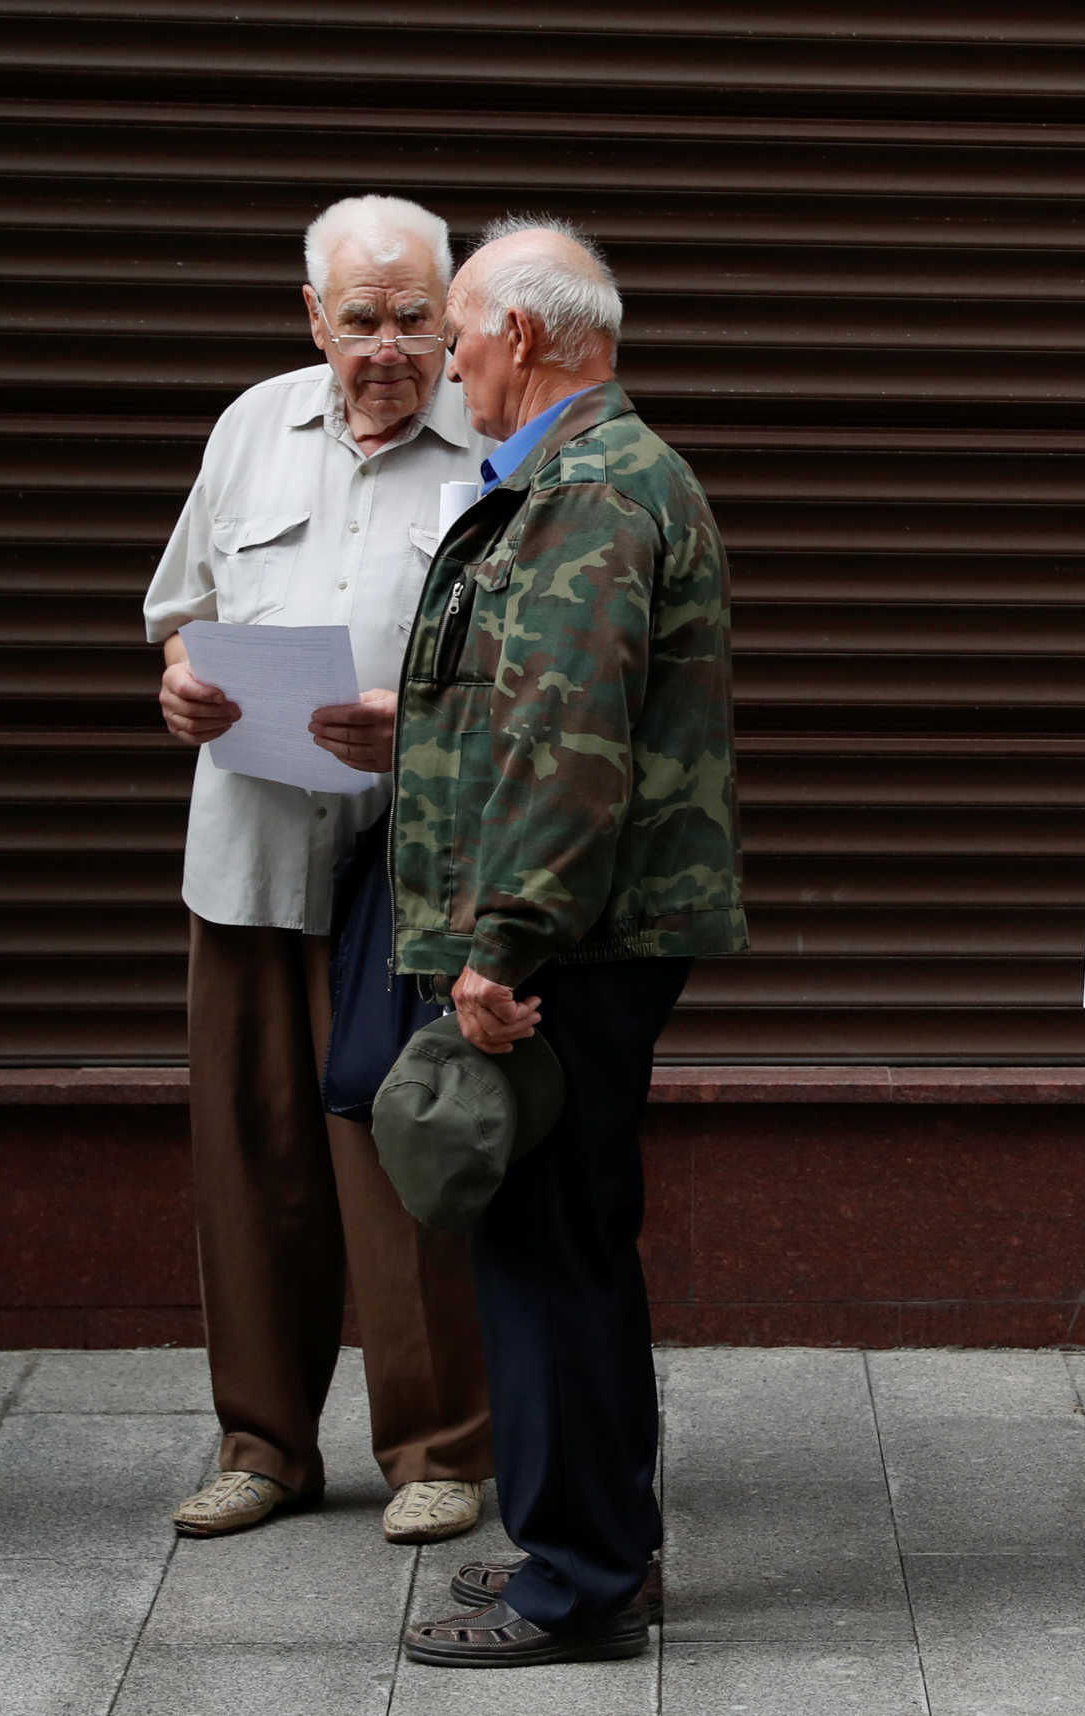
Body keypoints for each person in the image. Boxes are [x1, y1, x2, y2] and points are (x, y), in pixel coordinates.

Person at [392, 218, 747, 1669]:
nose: (443, 360)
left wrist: (504, 944)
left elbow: (566, 740)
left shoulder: (589, 492)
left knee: (548, 1253)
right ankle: (596, 1541)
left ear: (526, 339)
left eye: (458, 333)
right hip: (581, 931)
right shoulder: (580, 475)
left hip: (566, 944)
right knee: (569, 1245)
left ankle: (578, 1581)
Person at [143, 194, 493, 1546]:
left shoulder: (495, 449)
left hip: (407, 870)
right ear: (315, 320)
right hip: (250, 857)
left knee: (407, 1156)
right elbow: (181, 620)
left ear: (451, 315)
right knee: (254, 1160)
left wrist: (427, 721)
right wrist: (179, 685)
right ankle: (264, 1445)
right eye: (363, 321)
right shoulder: (250, 429)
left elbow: (542, 669)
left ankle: (437, 1451)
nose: (391, 348)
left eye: (417, 319)